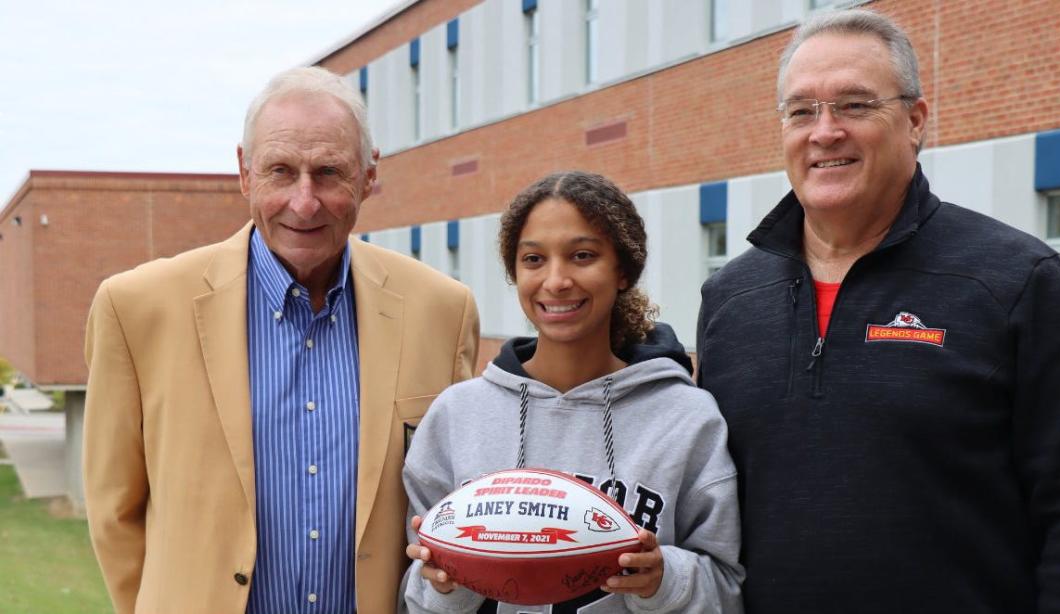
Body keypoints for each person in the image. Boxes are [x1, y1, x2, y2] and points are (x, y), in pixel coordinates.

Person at [696, 9, 1060, 613]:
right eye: (801, 111)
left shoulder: (1011, 278)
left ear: (915, 120)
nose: (824, 131)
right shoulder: (730, 297)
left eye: (854, 105)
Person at [82, 67, 479, 614]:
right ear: (245, 173)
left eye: (329, 172)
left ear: (368, 176)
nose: (305, 201)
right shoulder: (136, 309)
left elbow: (456, 503)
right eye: (280, 171)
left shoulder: (443, 310)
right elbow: (113, 512)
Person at [401, 171, 744, 613]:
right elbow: (416, 594)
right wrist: (447, 585)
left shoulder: (684, 417)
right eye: (534, 259)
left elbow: (726, 589)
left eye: (582, 256)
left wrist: (663, 580)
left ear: (622, 270)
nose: (556, 280)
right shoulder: (456, 415)